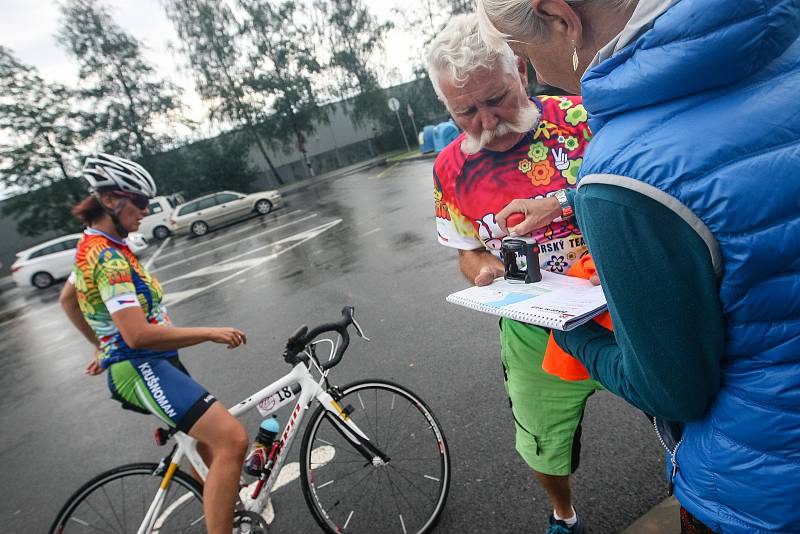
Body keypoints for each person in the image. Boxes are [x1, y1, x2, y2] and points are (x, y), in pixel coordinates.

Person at [476, 0, 800, 532]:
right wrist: (567, 201)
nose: (533, 73)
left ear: (561, 18)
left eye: (523, 53)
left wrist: (568, 333)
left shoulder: (621, 166)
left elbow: (673, 392)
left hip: (761, 488)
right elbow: (727, 184)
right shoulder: (775, 34)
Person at [428, 14, 601, 534]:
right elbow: (466, 251)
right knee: (542, 442)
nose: (487, 121)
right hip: (533, 328)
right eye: (467, 111)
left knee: (679, 408)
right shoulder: (448, 170)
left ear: (521, 72)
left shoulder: (585, 116)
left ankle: (687, 494)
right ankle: (564, 515)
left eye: (497, 98)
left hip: (624, 305)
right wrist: (484, 270)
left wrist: (562, 201)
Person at [63, 153, 249, 534]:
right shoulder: (109, 258)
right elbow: (137, 335)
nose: (147, 210)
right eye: (141, 202)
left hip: (150, 362)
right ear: (112, 201)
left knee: (207, 448)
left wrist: (103, 346)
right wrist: (209, 332)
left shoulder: (96, 243)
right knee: (233, 439)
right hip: (142, 364)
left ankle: (231, 515)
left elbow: (69, 298)